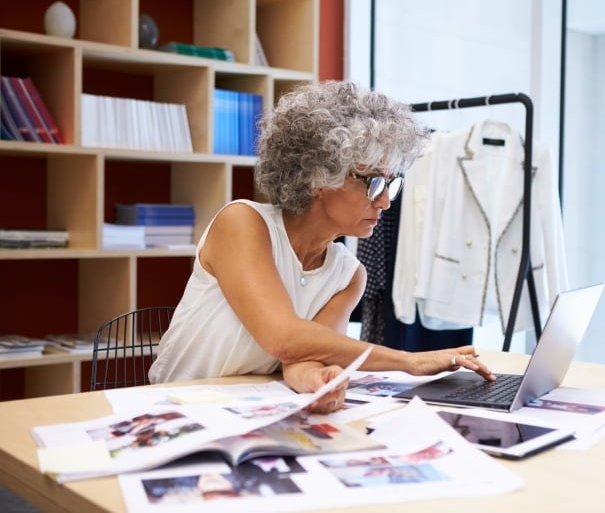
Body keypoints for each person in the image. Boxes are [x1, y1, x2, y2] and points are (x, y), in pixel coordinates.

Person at [148, 80, 494, 413]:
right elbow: (283, 338)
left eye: (392, 183)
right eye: (373, 182)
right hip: (173, 406)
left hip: (246, 411)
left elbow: (298, 360)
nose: (386, 202)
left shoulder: (348, 275)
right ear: (318, 176)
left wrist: (319, 378)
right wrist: (408, 361)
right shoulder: (242, 224)